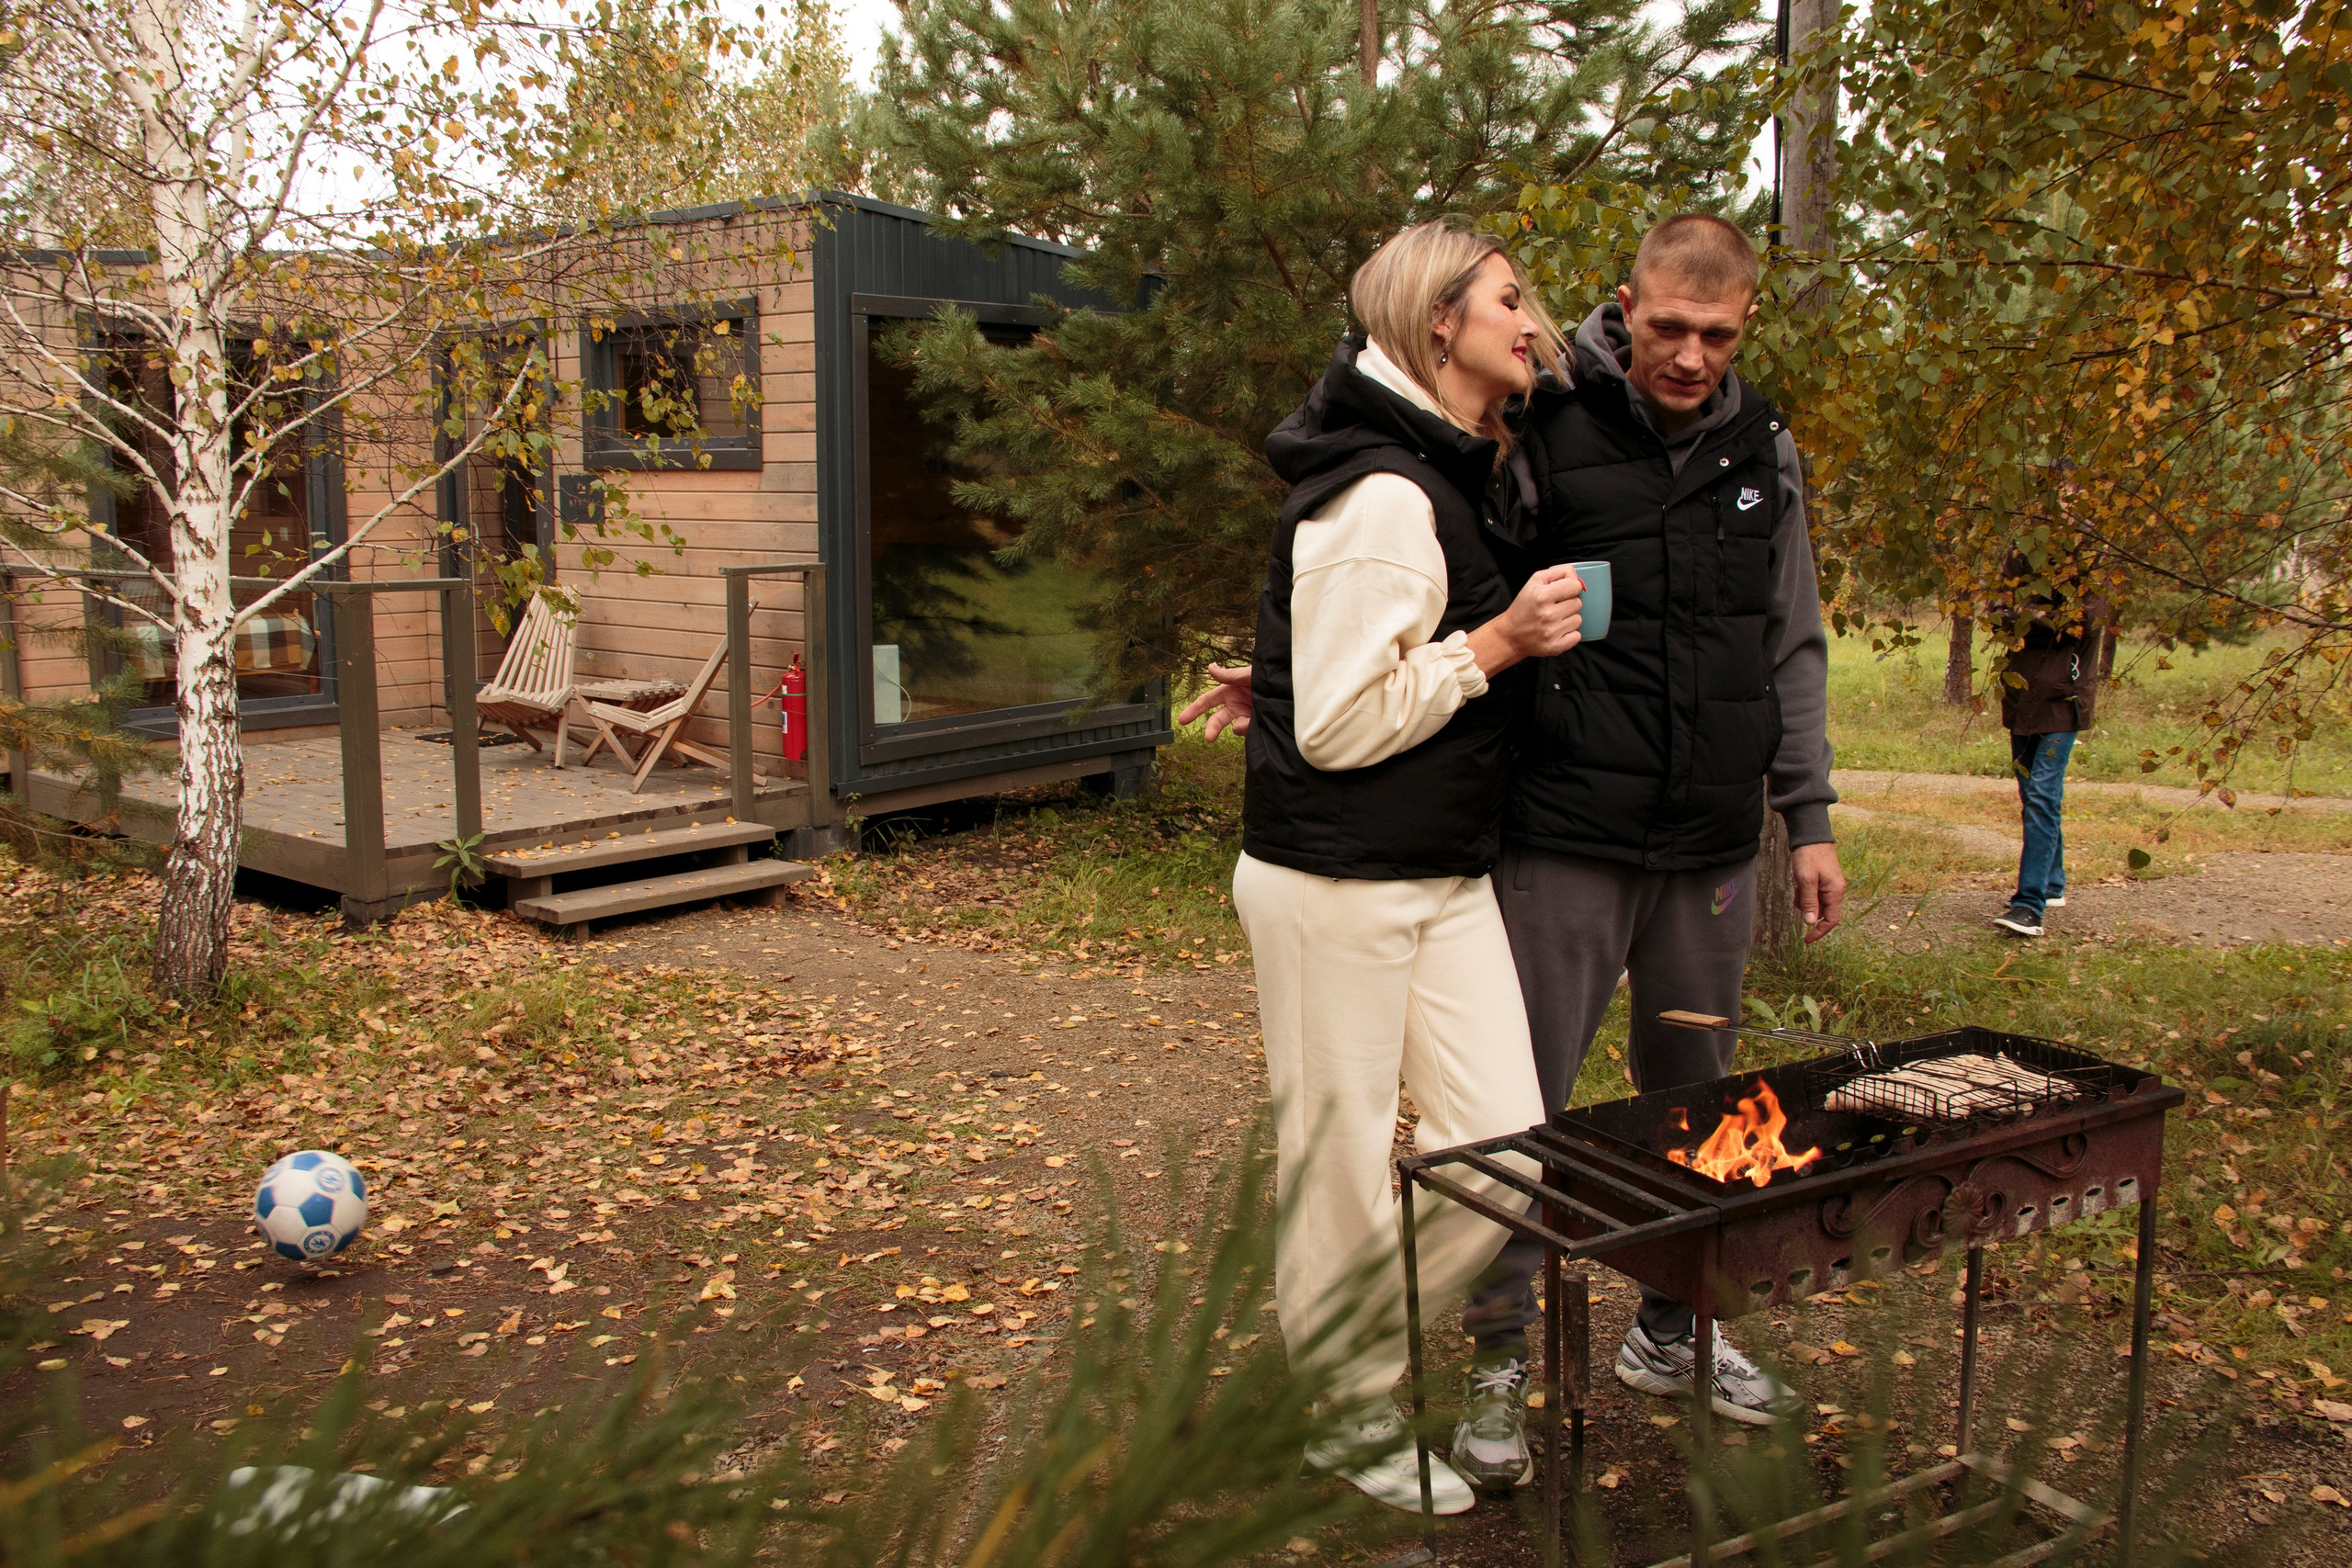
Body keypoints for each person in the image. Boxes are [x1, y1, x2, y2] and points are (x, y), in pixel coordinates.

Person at [1184, 214, 1848, 1479]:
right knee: (1388, 1148)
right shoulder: (1480, 445)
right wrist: (1346, 674)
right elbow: (1409, 632)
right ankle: (1412, 1382)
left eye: (1720, 334)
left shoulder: (1724, 451)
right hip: (1461, 853)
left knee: (1560, 1135)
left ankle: (1628, 1324)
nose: (1693, 356)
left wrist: (1803, 813)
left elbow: (1786, 639)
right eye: (1668, 328)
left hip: (1604, 847)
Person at [1235, 218, 1585, 1514]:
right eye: (1508, 300)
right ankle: (1341, 1407)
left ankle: (1337, 1348)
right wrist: (1494, 643)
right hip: (1338, 881)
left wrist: (1294, 671)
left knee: (1504, 1144)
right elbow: (1335, 722)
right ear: (1439, 323)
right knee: (1334, 1164)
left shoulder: (1443, 464)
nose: (1533, 322)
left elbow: (1335, 667)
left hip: (1434, 869)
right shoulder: (1386, 487)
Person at [1992, 551, 2100, 938]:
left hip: (2062, 704)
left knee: (2042, 794)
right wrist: (2038, 617)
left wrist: (2027, 614)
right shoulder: (2022, 556)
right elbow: (1997, 615)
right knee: (2031, 793)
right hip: (2021, 699)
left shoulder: (2094, 560)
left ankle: (2029, 905)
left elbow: (2079, 624)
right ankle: (2052, 882)